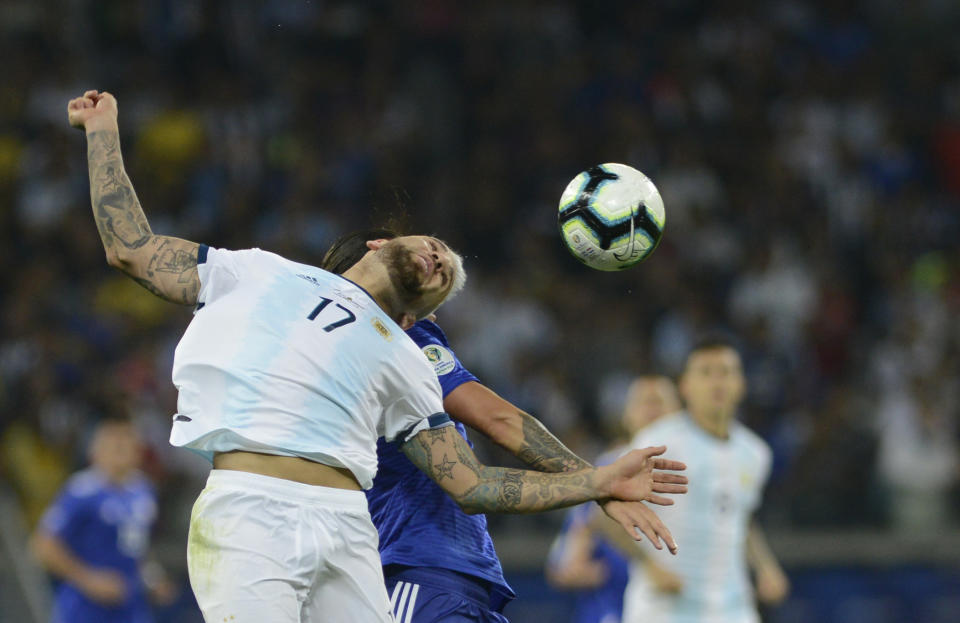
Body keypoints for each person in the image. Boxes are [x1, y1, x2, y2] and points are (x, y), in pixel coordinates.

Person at [68, 90, 688, 623]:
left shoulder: (409, 357)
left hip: (349, 527)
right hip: (250, 507)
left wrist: (597, 481)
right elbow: (132, 248)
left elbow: (470, 484)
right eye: (438, 248)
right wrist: (103, 133)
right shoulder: (259, 273)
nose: (441, 260)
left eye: (448, 276)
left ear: (420, 318)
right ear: (382, 241)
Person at [322, 233, 686, 623]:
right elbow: (498, 423)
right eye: (421, 269)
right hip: (418, 569)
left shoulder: (342, 346)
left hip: (448, 575)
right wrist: (599, 483)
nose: (434, 264)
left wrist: (600, 485)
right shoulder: (394, 336)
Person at [596, 338, 789, 623]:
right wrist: (651, 567)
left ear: (741, 384)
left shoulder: (755, 453)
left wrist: (766, 567)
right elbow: (604, 515)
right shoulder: (658, 442)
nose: (717, 382)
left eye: (725, 372)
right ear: (685, 386)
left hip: (732, 608)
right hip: (664, 608)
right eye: (706, 372)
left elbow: (739, 516)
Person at [546, 376, 681, 623]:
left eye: (660, 402)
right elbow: (566, 568)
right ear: (626, 416)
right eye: (643, 402)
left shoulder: (695, 469)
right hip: (615, 610)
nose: (652, 411)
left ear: (678, 413)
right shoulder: (608, 468)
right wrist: (629, 571)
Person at [31, 414, 170, 623]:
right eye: (115, 446)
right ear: (96, 451)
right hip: (85, 607)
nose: (122, 451)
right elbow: (43, 545)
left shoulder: (144, 491)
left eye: (128, 444)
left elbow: (137, 546)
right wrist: (89, 580)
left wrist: (152, 577)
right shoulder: (82, 491)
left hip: (130, 604)